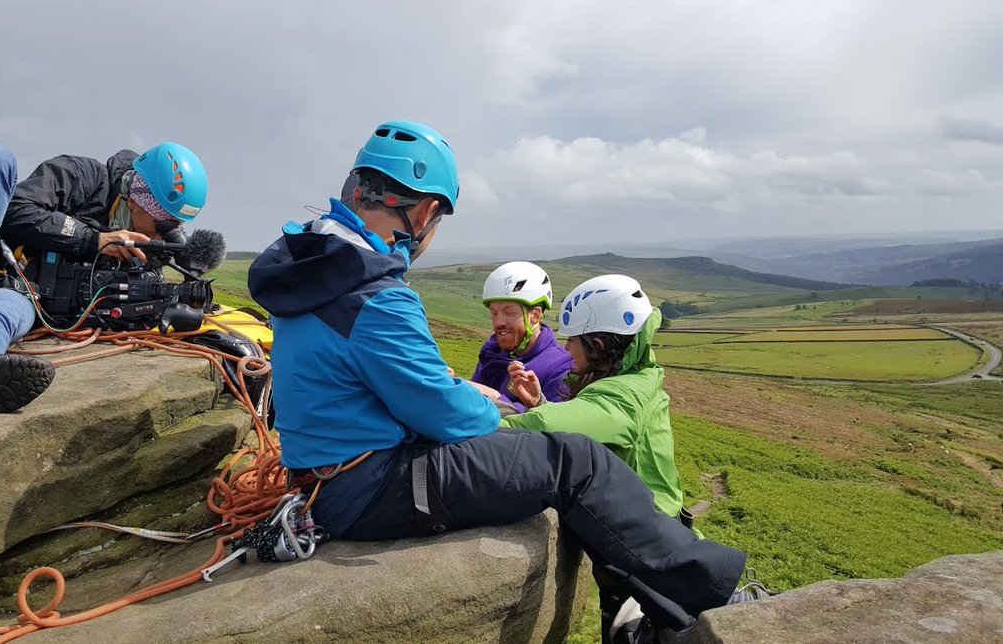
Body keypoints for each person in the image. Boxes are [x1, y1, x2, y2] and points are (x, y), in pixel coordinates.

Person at [247, 120, 756, 636]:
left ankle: (651, 609)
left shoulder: (309, 267)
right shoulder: (376, 296)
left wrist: (451, 391)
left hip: (329, 478)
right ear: (425, 212)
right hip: (370, 486)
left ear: (356, 190)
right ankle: (717, 592)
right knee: (575, 463)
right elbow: (443, 414)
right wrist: (491, 406)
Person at [0, 142, 207, 414]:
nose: (163, 231)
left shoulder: (142, 250)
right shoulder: (81, 175)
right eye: (165, 221)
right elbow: (12, 210)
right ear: (136, 198)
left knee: (8, 312)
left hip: (6, 288)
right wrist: (94, 240)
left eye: (176, 224)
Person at [501, 274, 688, 524]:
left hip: (647, 535)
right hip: (653, 523)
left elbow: (544, 426)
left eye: (572, 339)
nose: (566, 349)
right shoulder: (638, 377)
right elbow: (589, 423)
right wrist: (540, 403)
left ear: (597, 344)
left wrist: (470, 426)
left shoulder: (624, 396)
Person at [472, 261, 573, 412]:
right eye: (494, 313)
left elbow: (553, 425)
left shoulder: (561, 366)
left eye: (509, 312)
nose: (498, 322)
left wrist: (496, 398)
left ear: (535, 316)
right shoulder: (491, 353)